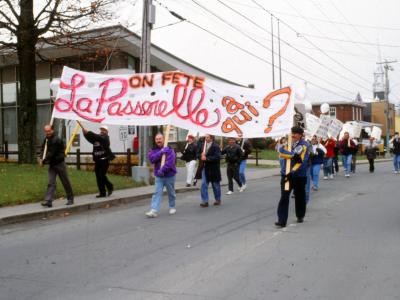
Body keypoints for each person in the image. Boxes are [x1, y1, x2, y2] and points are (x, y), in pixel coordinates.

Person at [275, 126, 309, 228]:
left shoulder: (305, 145)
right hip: (286, 175)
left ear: (301, 135)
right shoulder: (288, 143)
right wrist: (293, 155)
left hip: (299, 176)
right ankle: (282, 220)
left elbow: (301, 162)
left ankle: (300, 215)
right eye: (292, 133)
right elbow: (281, 152)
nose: (293, 135)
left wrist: (292, 172)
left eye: (296, 133)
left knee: (299, 197)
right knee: (284, 196)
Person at [40, 124, 74, 208]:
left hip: (59, 163)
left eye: (48, 131)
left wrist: (43, 161)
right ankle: (48, 200)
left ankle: (70, 198)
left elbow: (51, 153)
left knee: (65, 181)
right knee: (51, 182)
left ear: (52, 130)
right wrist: (41, 157)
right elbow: (43, 149)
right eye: (46, 131)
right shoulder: (47, 139)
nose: (47, 133)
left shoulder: (56, 139)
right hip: (52, 164)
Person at [145, 133, 177, 218]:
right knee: (157, 193)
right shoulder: (153, 149)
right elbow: (152, 159)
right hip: (159, 177)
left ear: (163, 139)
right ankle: (154, 210)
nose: (158, 140)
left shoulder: (170, 149)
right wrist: (161, 152)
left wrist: (162, 170)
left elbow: (170, 163)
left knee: (171, 192)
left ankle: (172, 206)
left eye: (160, 139)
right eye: (157, 139)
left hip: (169, 175)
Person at [82, 125, 114, 198]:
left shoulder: (105, 138)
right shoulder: (97, 138)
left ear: (107, 132)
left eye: (104, 130)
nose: (102, 131)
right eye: (101, 130)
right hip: (97, 160)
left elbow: (97, 137)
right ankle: (102, 193)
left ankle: (110, 186)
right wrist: (85, 134)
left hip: (105, 160)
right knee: (98, 177)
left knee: (101, 175)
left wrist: (89, 132)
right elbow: (91, 139)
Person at [198, 134, 222, 207]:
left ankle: (218, 199)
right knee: (203, 184)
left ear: (211, 138)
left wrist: (207, 158)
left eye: (207, 137)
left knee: (215, 185)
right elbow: (197, 153)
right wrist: (200, 155)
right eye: (205, 137)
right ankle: (205, 201)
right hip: (205, 168)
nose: (206, 138)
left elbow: (217, 157)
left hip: (214, 168)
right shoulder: (202, 145)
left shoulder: (216, 146)